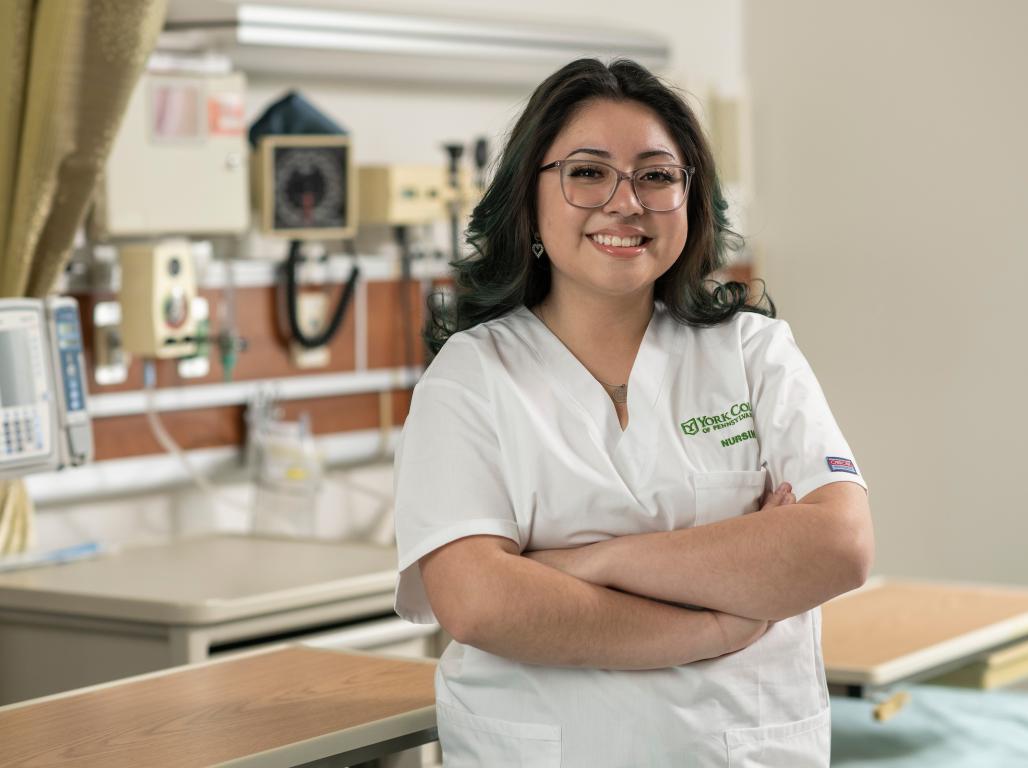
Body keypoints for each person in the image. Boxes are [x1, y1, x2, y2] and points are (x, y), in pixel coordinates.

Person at [392, 58, 873, 767]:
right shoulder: (471, 377)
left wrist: (592, 562)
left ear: (691, 198)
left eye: (656, 175)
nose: (626, 202)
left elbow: (839, 546)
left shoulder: (753, 353)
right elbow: (479, 602)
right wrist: (713, 625)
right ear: (531, 198)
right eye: (587, 172)